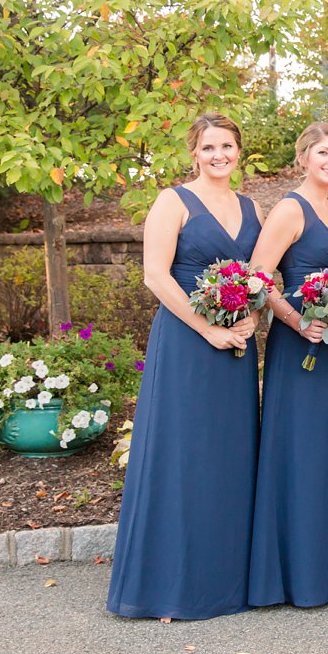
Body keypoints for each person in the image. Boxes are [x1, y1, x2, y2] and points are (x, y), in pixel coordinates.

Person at [107, 113, 262, 620]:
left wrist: (253, 319)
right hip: (187, 342)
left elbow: (259, 276)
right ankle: (167, 587)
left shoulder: (250, 205)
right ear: (194, 152)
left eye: (228, 146)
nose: (220, 155)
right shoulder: (172, 201)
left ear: (239, 151)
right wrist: (208, 328)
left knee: (229, 456)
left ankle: (222, 584)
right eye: (210, 147)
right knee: (183, 455)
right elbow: (155, 275)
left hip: (236, 347)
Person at [248, 123, 328, 608]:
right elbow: (257, 277)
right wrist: (295, 321)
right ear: (303, 158)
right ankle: (291, 575)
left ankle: (327, 569)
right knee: (299, 449)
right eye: (322, 153)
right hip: (300, 346)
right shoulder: (290, 209)